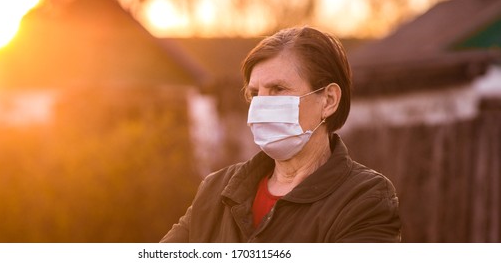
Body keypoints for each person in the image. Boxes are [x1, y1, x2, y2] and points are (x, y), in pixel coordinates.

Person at [161, 26, 401, 242]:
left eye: (278, 89)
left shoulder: (364, 199)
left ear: (328, 100)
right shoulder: (216, 191)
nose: (262, 105)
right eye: (255, 93)